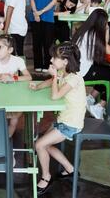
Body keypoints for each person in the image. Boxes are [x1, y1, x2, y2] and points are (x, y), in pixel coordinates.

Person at [30, 42, 85, 195]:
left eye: (55, 57)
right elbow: (50, 82)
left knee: (39, 145)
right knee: (45, 144)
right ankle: (70, 169)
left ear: (65, 61)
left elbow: (55, 96)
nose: (51, 60)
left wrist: (54, 75)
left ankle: (46, 177)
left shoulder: (73, 79)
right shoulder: (63, 72)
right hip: (63, 119)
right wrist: (37, 87)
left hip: (70, 123)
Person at [71, 9, 110, 120]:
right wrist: (107, 31)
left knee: (105, 70)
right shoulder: (93, 34)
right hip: (81, 73)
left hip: (75, 69)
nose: (107, 25)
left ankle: (90, 98)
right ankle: (100, 106)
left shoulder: (83, 30)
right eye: (106, 23)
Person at [0, 34, 32, 137]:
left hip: (14, 97)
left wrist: (13, 78)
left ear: (10, 50)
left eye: (0, 47)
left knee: (13, 121)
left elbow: (28, 77)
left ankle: (8, 138)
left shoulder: (18, 61)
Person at [30, 0, 60, 72]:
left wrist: (41, 12)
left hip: (48, 18)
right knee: (36, 42)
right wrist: (35, 12)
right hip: (35, 17)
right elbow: (32, 0)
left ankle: (47, 65)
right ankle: (37, 65)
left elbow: (54, 2)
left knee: (48, 43)